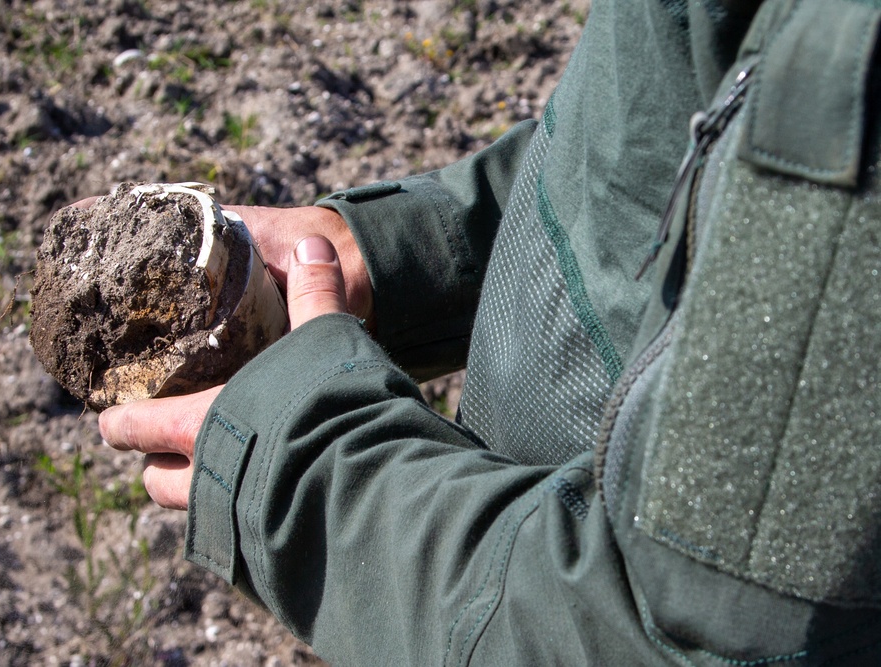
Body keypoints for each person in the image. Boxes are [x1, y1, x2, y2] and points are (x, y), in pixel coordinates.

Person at [99, 0, 881, 664]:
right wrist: (402, 252)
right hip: (490, 553)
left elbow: (680, 636)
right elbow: (659, 136)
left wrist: (306, 470)